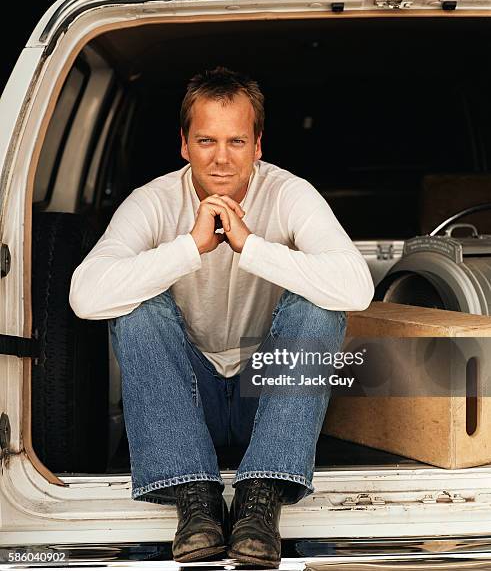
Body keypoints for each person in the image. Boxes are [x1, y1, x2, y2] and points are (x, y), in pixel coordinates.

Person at [69, 66, 374, 568]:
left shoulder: (290, 193)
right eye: (206, 139)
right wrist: (190, 248)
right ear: (184, 144)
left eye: (236, 140)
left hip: (269, 396)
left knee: (321, 305)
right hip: (187, 402)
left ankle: (262, 498)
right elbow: (85, 295)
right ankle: (195, 500)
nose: (222, 157)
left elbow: (356, 288)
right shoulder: (151, 201)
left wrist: (249, 246)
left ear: (258, 145)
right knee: (136, 306)